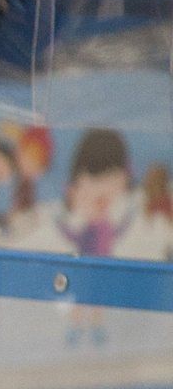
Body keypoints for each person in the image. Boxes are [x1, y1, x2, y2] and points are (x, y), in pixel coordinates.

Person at [55, 128, 135, 347]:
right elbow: (76, 237)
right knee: (81, 298)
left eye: (111, 177)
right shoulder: (89, 226)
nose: (102, 190)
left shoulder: (108, 224)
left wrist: (129, 219)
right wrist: (61, 225)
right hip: (85, 267)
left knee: (98, 299)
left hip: (103, 266)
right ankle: (76, 326)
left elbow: (118, 233)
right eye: (93, 177)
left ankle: (96, 327)